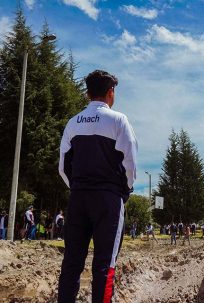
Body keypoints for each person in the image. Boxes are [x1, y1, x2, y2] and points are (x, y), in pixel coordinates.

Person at [57, 70, 138, 303]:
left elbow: (63, 166)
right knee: (105, 265)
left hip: (78, 199)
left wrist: (78, 187)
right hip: (108, 199)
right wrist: (126, 190)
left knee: (72, 262)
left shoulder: (73, 123)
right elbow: (130, 163)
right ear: (110, 92)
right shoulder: (119, 120)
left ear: (87, 93)